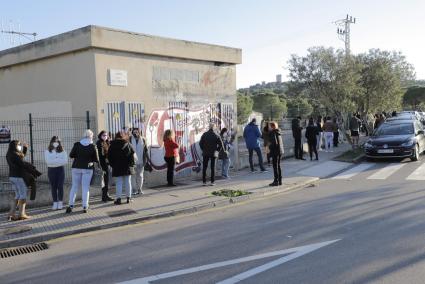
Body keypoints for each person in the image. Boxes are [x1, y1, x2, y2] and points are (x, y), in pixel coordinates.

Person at [66, 129, 99, 213]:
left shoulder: (77, 144)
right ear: (91, 136)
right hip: (87, 168)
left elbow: (71, 155)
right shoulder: (93, 146)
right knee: (85, 188)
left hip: (76, 167)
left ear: (83, 135)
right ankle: (85, 206)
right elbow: (96, 159)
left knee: (74, 187)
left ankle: (70, 205)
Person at [108, 131, 136, 205]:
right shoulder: (127, 144)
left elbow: (109, 157)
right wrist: (132, 164)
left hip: (117, 167)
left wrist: (112, 165)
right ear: (123, 136)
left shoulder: (112, 145)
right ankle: (128, 198)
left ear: (116, 136)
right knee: (128, 182)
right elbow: (132, 155)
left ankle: (118, 199)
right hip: (127, 166)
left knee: (118, 183)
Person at [6, 140, 31, 220]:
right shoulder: (15, 154)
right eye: (19, 145)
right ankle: (21, 214)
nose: (19, 147)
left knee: (17, 195)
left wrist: (25, 148)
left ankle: (11, 214)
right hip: (18, 177)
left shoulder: (9, 154)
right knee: (23, 195)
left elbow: (21, 156)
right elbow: (22, 163)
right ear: (15, 146)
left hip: (12, 177)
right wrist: (30, 167)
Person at [44, 136, 68, 210]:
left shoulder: (63, 151)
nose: (56, 143)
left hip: (60, 170)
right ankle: (55, 202)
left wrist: (54, 160)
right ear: (51, 142)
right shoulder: (47, 151)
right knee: (53, 186)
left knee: (60, 186)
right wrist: (58, 160)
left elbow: (65, 161)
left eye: (57, 142)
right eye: (54, 141)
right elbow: (48, 162)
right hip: (51, 170)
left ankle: (60, 202)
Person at [130, 128, 149, 195]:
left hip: (141, 161)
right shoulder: (130, 139)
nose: (135, 133)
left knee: (140, 176)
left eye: (137, 132)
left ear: (139, 132)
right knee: (133, 176)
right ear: (132, 133)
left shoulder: (143, 139)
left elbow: (146, 150)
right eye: (134, 132)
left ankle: (139, 189)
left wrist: (147, 159)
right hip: (132, 161)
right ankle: (134, 190)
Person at [96, 131, 113, 202]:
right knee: (104, 181)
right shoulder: (99, 143)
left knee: (107, 181)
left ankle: (106, 195)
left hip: (107, 164)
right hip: (102, 164)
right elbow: (101, 155)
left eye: (106, 135)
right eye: (103, 135)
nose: (105, 136)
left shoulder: (107, 142)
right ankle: (104, 196)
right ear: (100, 136)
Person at [268, 122, 284, 186]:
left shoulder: (273, 133)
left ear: (273, 126)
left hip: (275, 151)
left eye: (269, 126)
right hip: (280, 151)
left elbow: (274, 143)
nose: (269, 127)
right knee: (278, 166)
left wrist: (269, 147)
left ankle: (276, 181)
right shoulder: (278, 132)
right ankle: (280, 181)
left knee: (275, 166)